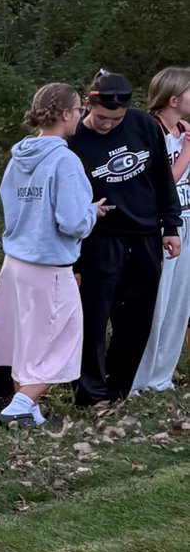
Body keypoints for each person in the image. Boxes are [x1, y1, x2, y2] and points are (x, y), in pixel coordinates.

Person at [0, 84, 109, 428]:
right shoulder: (65, 160)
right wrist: (91, 214)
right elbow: (70, 221)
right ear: (67, 114)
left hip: (16, 261)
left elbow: (13, 204)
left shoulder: (19, 157)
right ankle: (19, 404)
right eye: (79, 112)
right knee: (63, 340)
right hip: (48, 265)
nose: (81, 117)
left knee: (27, 338)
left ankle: (28, 408)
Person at [67, 70, 181, 405]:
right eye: (102, 118)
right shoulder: (74, 140)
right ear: (90, 103)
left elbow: (162, 176)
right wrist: (74, 259)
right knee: (94, 317)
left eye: (115, 120)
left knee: (137, 318)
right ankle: (89, 392)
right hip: (100, 239)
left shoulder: (142, 125)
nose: (107, 125)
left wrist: (170, 225)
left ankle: (118, 388)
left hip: (145, 234)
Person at [130, 66, 190, 393]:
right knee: (158, 300)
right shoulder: (148, 128)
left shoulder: (184, 130)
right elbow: (162, 181)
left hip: (186, 219)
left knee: (180, 301)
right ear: (174, 98)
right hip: (159, 226)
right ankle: (139, 377)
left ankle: (161, 377)